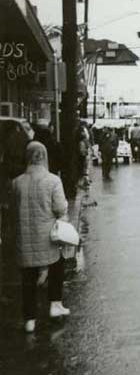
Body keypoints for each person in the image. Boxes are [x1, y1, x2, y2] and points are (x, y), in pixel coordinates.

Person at [12, 142, 70, 333]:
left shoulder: (17, 182)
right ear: (44, 157)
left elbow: (13, 211)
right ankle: (55, 304)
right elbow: (61, 209)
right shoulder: (53, 181)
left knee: (27, 279)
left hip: (25, 239)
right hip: (47, 239)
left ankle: (29, 319)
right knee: (57, 265)